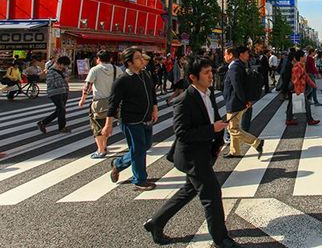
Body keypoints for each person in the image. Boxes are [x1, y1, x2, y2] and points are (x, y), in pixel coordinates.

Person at [144, 57, 240, 248]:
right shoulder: (184, 100)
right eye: (206, 73)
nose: (211, 76)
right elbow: (182, 133)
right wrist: (211, 130)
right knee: (211, 195)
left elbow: (214, 117)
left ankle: (156, 222)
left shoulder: (209, 93)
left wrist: (218, 141)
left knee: (188, 190)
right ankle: (221, 239)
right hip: (192, 155)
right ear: (192, 77)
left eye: (211, 71)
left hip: (206, 151)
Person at [106, 47, 158, 191]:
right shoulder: (122, 80)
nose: (142, 60)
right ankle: (140, 180)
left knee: (145, 146)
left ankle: (118, 163)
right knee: (139, 150)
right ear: (129, 62)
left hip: (146, 118)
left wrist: (155, 108)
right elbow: (113, 103)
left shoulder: (144, 74)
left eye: (141, 57)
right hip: (131, 120)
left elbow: (151, 92)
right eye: (137, 58)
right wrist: (108, 124)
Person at [79, 50, 122, 159]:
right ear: (110, 59)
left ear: (98, 59)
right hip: (113, 102)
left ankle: (101, 150)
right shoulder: (117, 69)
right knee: (106, 125)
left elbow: (87, 86)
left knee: (97, 126)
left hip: (99, 102)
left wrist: (82, 100)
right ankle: (105, 145)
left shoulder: (95, 70)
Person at [223, 46, 264, 159]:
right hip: (236, 101)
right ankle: (234, 151)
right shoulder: (238, 65)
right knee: (234, 126)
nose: (224, 56)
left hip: (235, 102)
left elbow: (237, 86)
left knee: (232, 128)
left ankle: (257, 142)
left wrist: (244, 100)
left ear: (231, 55)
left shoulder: (234, 67)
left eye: (225, 54)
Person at [36, 56, 71, 133]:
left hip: (63, 92)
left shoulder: (62, 71)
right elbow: (50, 83)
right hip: (55, 93)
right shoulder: (51, 71)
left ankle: (43, 123)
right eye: (64, 65)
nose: (65, 67)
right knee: (61, 110)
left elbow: (65, 80)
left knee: (60, 110)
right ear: (60, 63)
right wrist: (63, 80)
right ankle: (62, 127)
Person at [287, 50, 321, 126]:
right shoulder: (297, 67)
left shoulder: (301, 65)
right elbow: (295, 80)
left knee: (292, 104)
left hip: (300, 89)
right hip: (298, 89)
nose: (305, 57)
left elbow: (306, 77)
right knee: (306, 104)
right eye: (304, 56)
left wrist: (313, 85)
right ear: (301, 57)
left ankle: (289, 119)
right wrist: (297, 91)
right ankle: (310, 120)